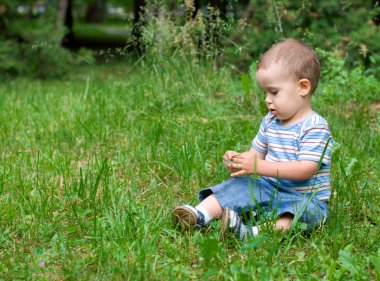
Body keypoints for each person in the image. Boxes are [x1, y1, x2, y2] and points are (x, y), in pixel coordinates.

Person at [173, 38, 334, 240]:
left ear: (302, 87)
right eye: (265, 92)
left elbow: (305, 169)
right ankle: (199, 215)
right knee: (239, 186)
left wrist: (259, 167)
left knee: (304, 212)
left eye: (274, 92)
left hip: (305, 197)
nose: (267, 99)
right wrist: (240, 161)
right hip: (268, 189)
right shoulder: (270, 121)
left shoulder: (315, 126)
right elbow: (255, 155)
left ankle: (253, 233)